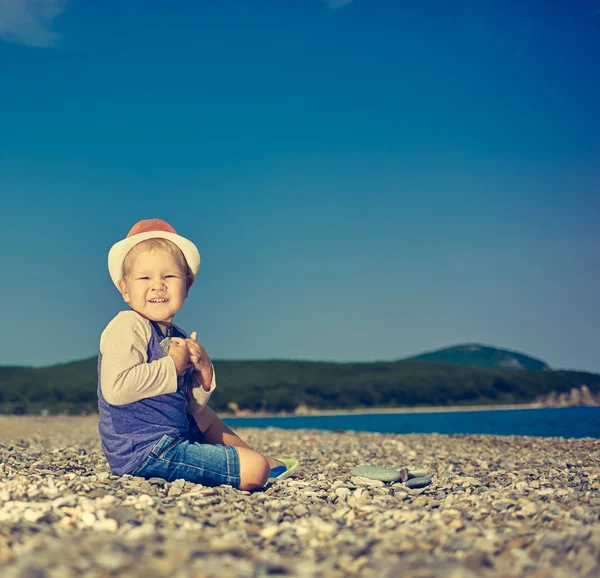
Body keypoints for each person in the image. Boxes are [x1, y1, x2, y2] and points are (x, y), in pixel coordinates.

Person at [97, 218, 298, 491]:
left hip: (170, 436)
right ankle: (256, 465)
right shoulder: (127, 325)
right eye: (144, 278)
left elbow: (189, 406)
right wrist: (172, 366)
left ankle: (256, 458)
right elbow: (116, 389)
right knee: (256, 471)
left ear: (187, 286)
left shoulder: (175, 334)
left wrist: (203, 374)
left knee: (205, 416)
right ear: (124, 289)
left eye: (169, 276)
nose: (158, 285)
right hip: (142, 451)